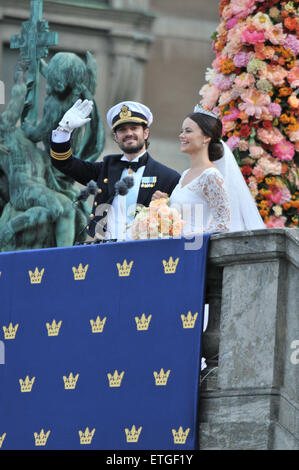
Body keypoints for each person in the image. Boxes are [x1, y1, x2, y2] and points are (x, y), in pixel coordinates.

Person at [50, 100, 180, 241]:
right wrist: (64, 129)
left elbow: (177, 225)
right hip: (106, 251)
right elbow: (64, 162)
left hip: (145, 253)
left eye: (134, 128)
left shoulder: (169, 177)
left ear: (146, 133)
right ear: (116, 137)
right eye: (122, 130)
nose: (128, 133)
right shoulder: (105, 169)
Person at [152, 106, 265, 234]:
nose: (181, 136)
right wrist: (164, 204)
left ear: (206, 137)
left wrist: (189, 235)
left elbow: (222, 226)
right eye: (181, 131)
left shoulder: (211, 175)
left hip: (194, 248)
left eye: (188, 131)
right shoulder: (185, 174)